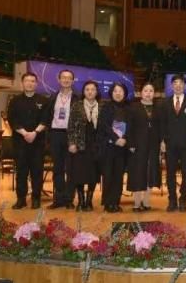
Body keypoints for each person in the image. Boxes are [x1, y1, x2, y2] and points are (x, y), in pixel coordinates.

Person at [7, 72, 48, 209]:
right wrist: (25, 133)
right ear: (22, 83)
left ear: (36, 84)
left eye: (32, 81)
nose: (30, 83)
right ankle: (21, 199)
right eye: (27, 81)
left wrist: (35, 132)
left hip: (38, 142)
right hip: (20, 142)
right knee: (21, 172)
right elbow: (12, 120)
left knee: (37, 172)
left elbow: (45, 120)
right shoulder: (15, 101)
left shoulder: (43, 100)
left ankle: (36, 198)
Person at [160, 74, 186, 212]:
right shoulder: (165, 103)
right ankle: (172, 200)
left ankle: (182, 199)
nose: (178, 85)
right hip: (170, 144)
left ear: (185, 85)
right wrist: (162, 140)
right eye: (175, 83)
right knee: (170, 173)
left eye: (181, 83)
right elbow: (162, 123)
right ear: (172, 86)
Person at [46, 69, 79, 210]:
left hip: (70, 135)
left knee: (71, 169)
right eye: (63, 77)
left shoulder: (78, 98)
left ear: (73, 80)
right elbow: (48, 117)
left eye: (69, 78)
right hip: (55, 134)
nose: (66, 80)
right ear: (59, 80)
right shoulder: (52, 97)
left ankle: (69, 199)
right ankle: (58, 199)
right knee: (57, 169)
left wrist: (75, 140)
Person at [127, 82, 162, 212]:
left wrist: (162, 142)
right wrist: (130, 143)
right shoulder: (133, 107)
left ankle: (146, 202)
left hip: (153, 145)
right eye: (146, 90)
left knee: (150, 173)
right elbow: (129, 127)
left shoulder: (158, 108)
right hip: (137, 145)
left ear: (154, 94)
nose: (148, 93)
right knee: (137, 172)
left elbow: (161, 127)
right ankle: (137, 203)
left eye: (151, 91)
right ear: (140, 93)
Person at [67, 81, 101, 212]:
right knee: (79, 174)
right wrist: (71, 143)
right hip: (80, 145)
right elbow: (70, 126)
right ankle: (81, 201)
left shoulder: (102, 106)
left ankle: (89, 201)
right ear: (84, 92)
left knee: (93, 174)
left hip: (96, 146)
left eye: (93, 89)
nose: (90, 92)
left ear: (96, 92)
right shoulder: (77, 105)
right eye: (87, 89)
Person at [97, 82, 130, 213]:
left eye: (120, 91)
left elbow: (132, 126)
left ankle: (116, 201)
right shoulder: (106, 107)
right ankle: (108, 203)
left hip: (122, 146)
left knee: (118, 175)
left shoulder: (129, 108)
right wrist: (116, 139)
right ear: (111, 93)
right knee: (108, 175)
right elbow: (104, 125)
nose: (118, 93)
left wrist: (124, 138)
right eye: (115, 91)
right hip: (109, 146)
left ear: (124, 93)